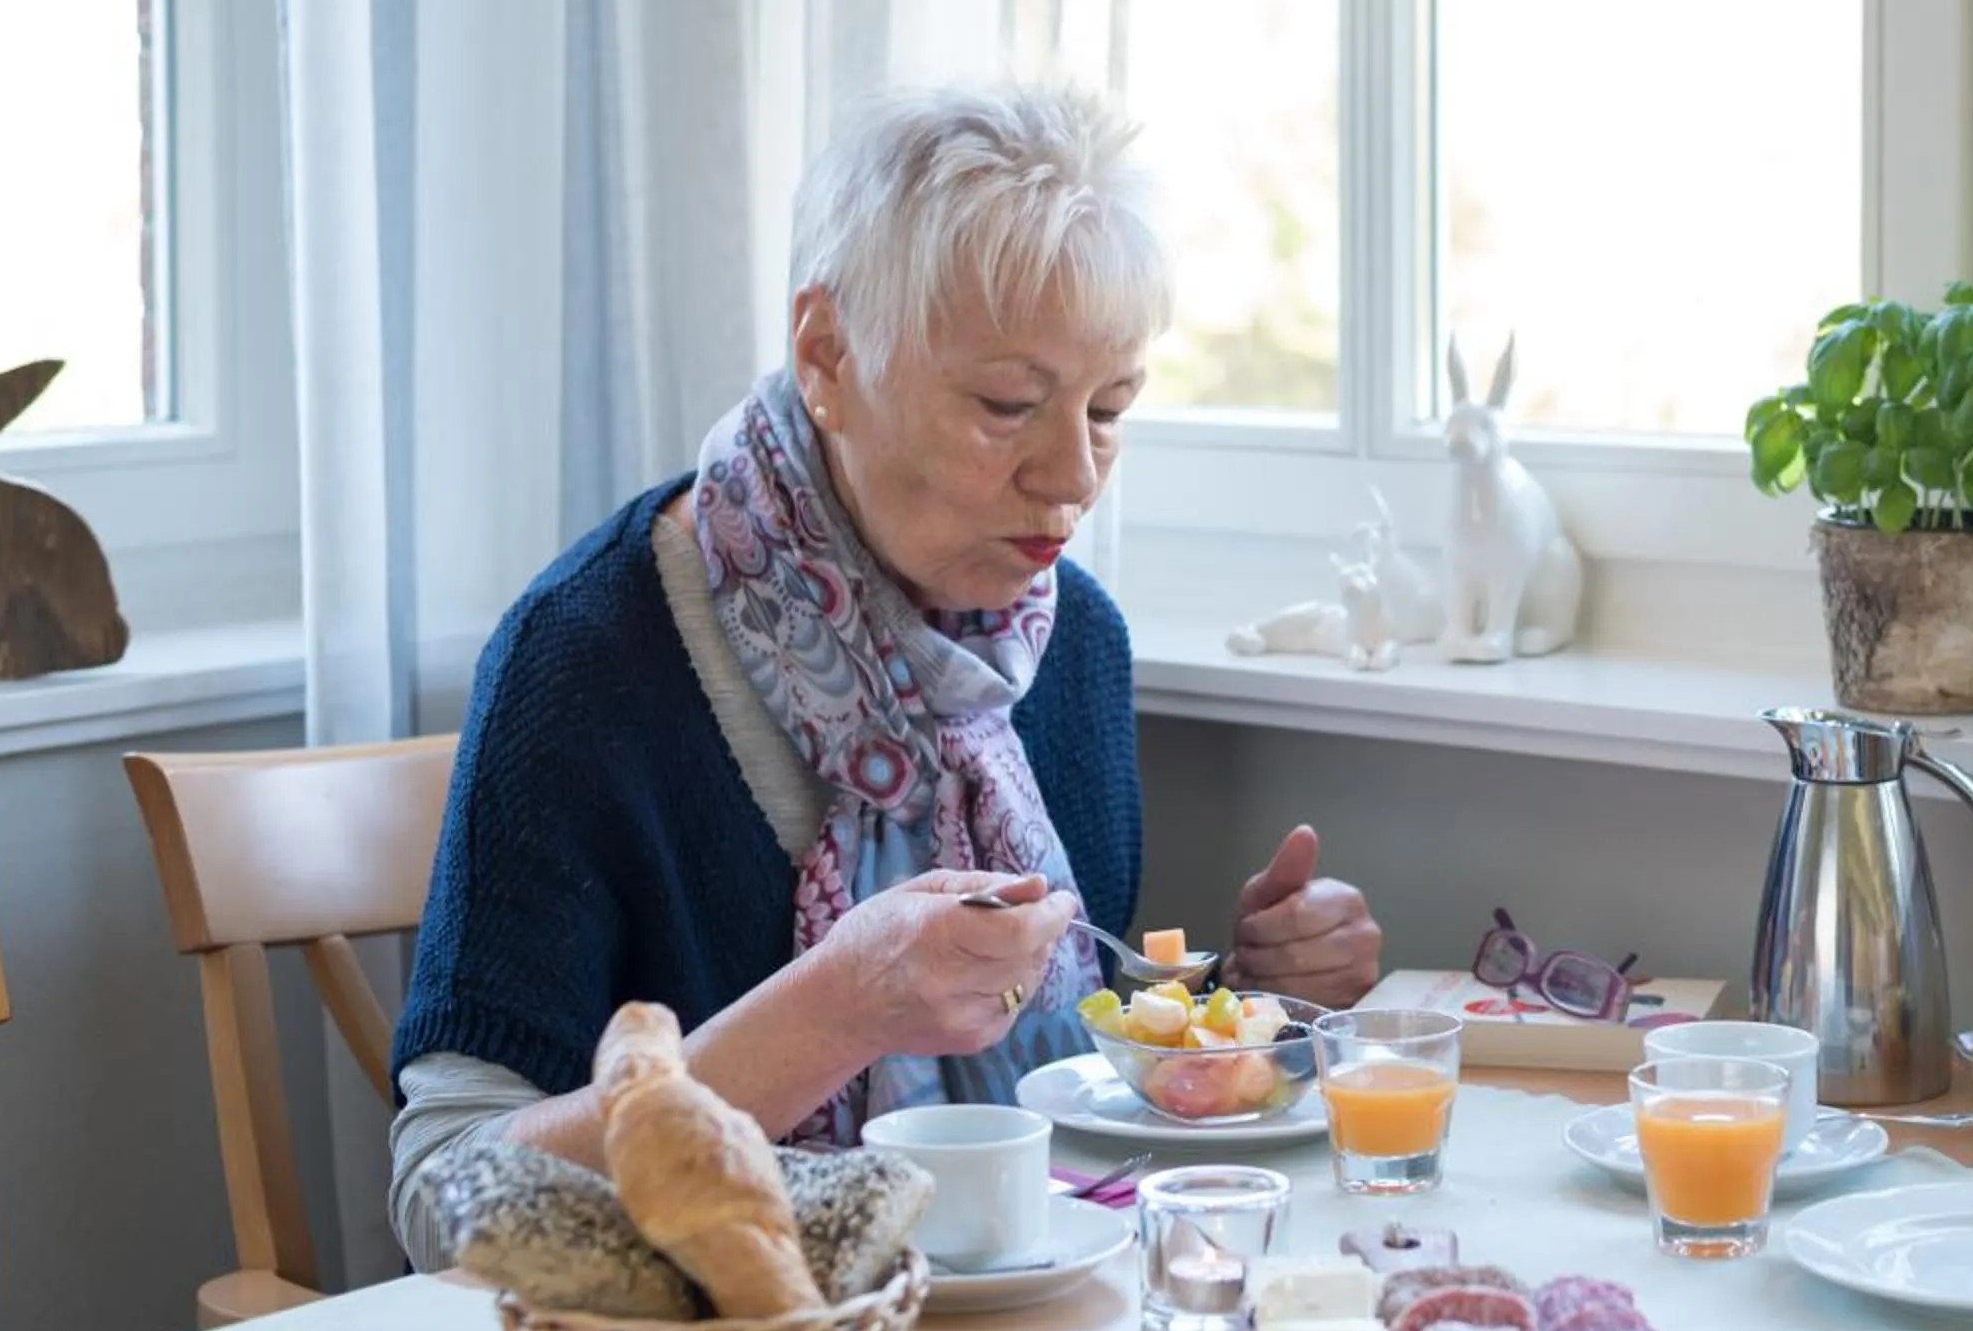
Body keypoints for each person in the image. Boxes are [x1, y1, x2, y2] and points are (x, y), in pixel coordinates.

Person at [386, 81, 1384, 1266]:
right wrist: (834, 1010)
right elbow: (449, 1200)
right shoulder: (587, 661)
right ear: (826, 354)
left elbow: (1055, 1093)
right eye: (1008, 405)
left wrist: (1240, 1000)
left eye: (1109, 409)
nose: (1070, 475)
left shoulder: (1071, 647)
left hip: (1021, 1326)